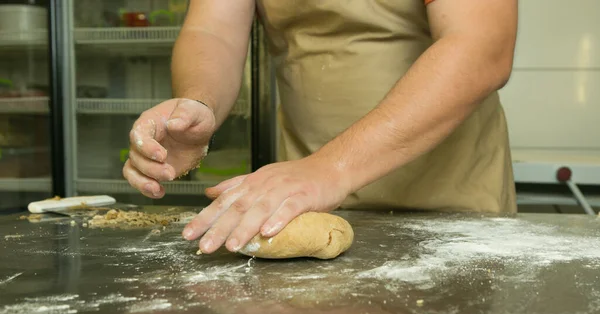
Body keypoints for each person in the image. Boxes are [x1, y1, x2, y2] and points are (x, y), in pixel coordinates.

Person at [123, 0, 518, 254]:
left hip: (449, 205)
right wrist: (198, 102)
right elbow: (213, 30)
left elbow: (481, 45)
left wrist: (334, 167)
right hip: (303, 205)